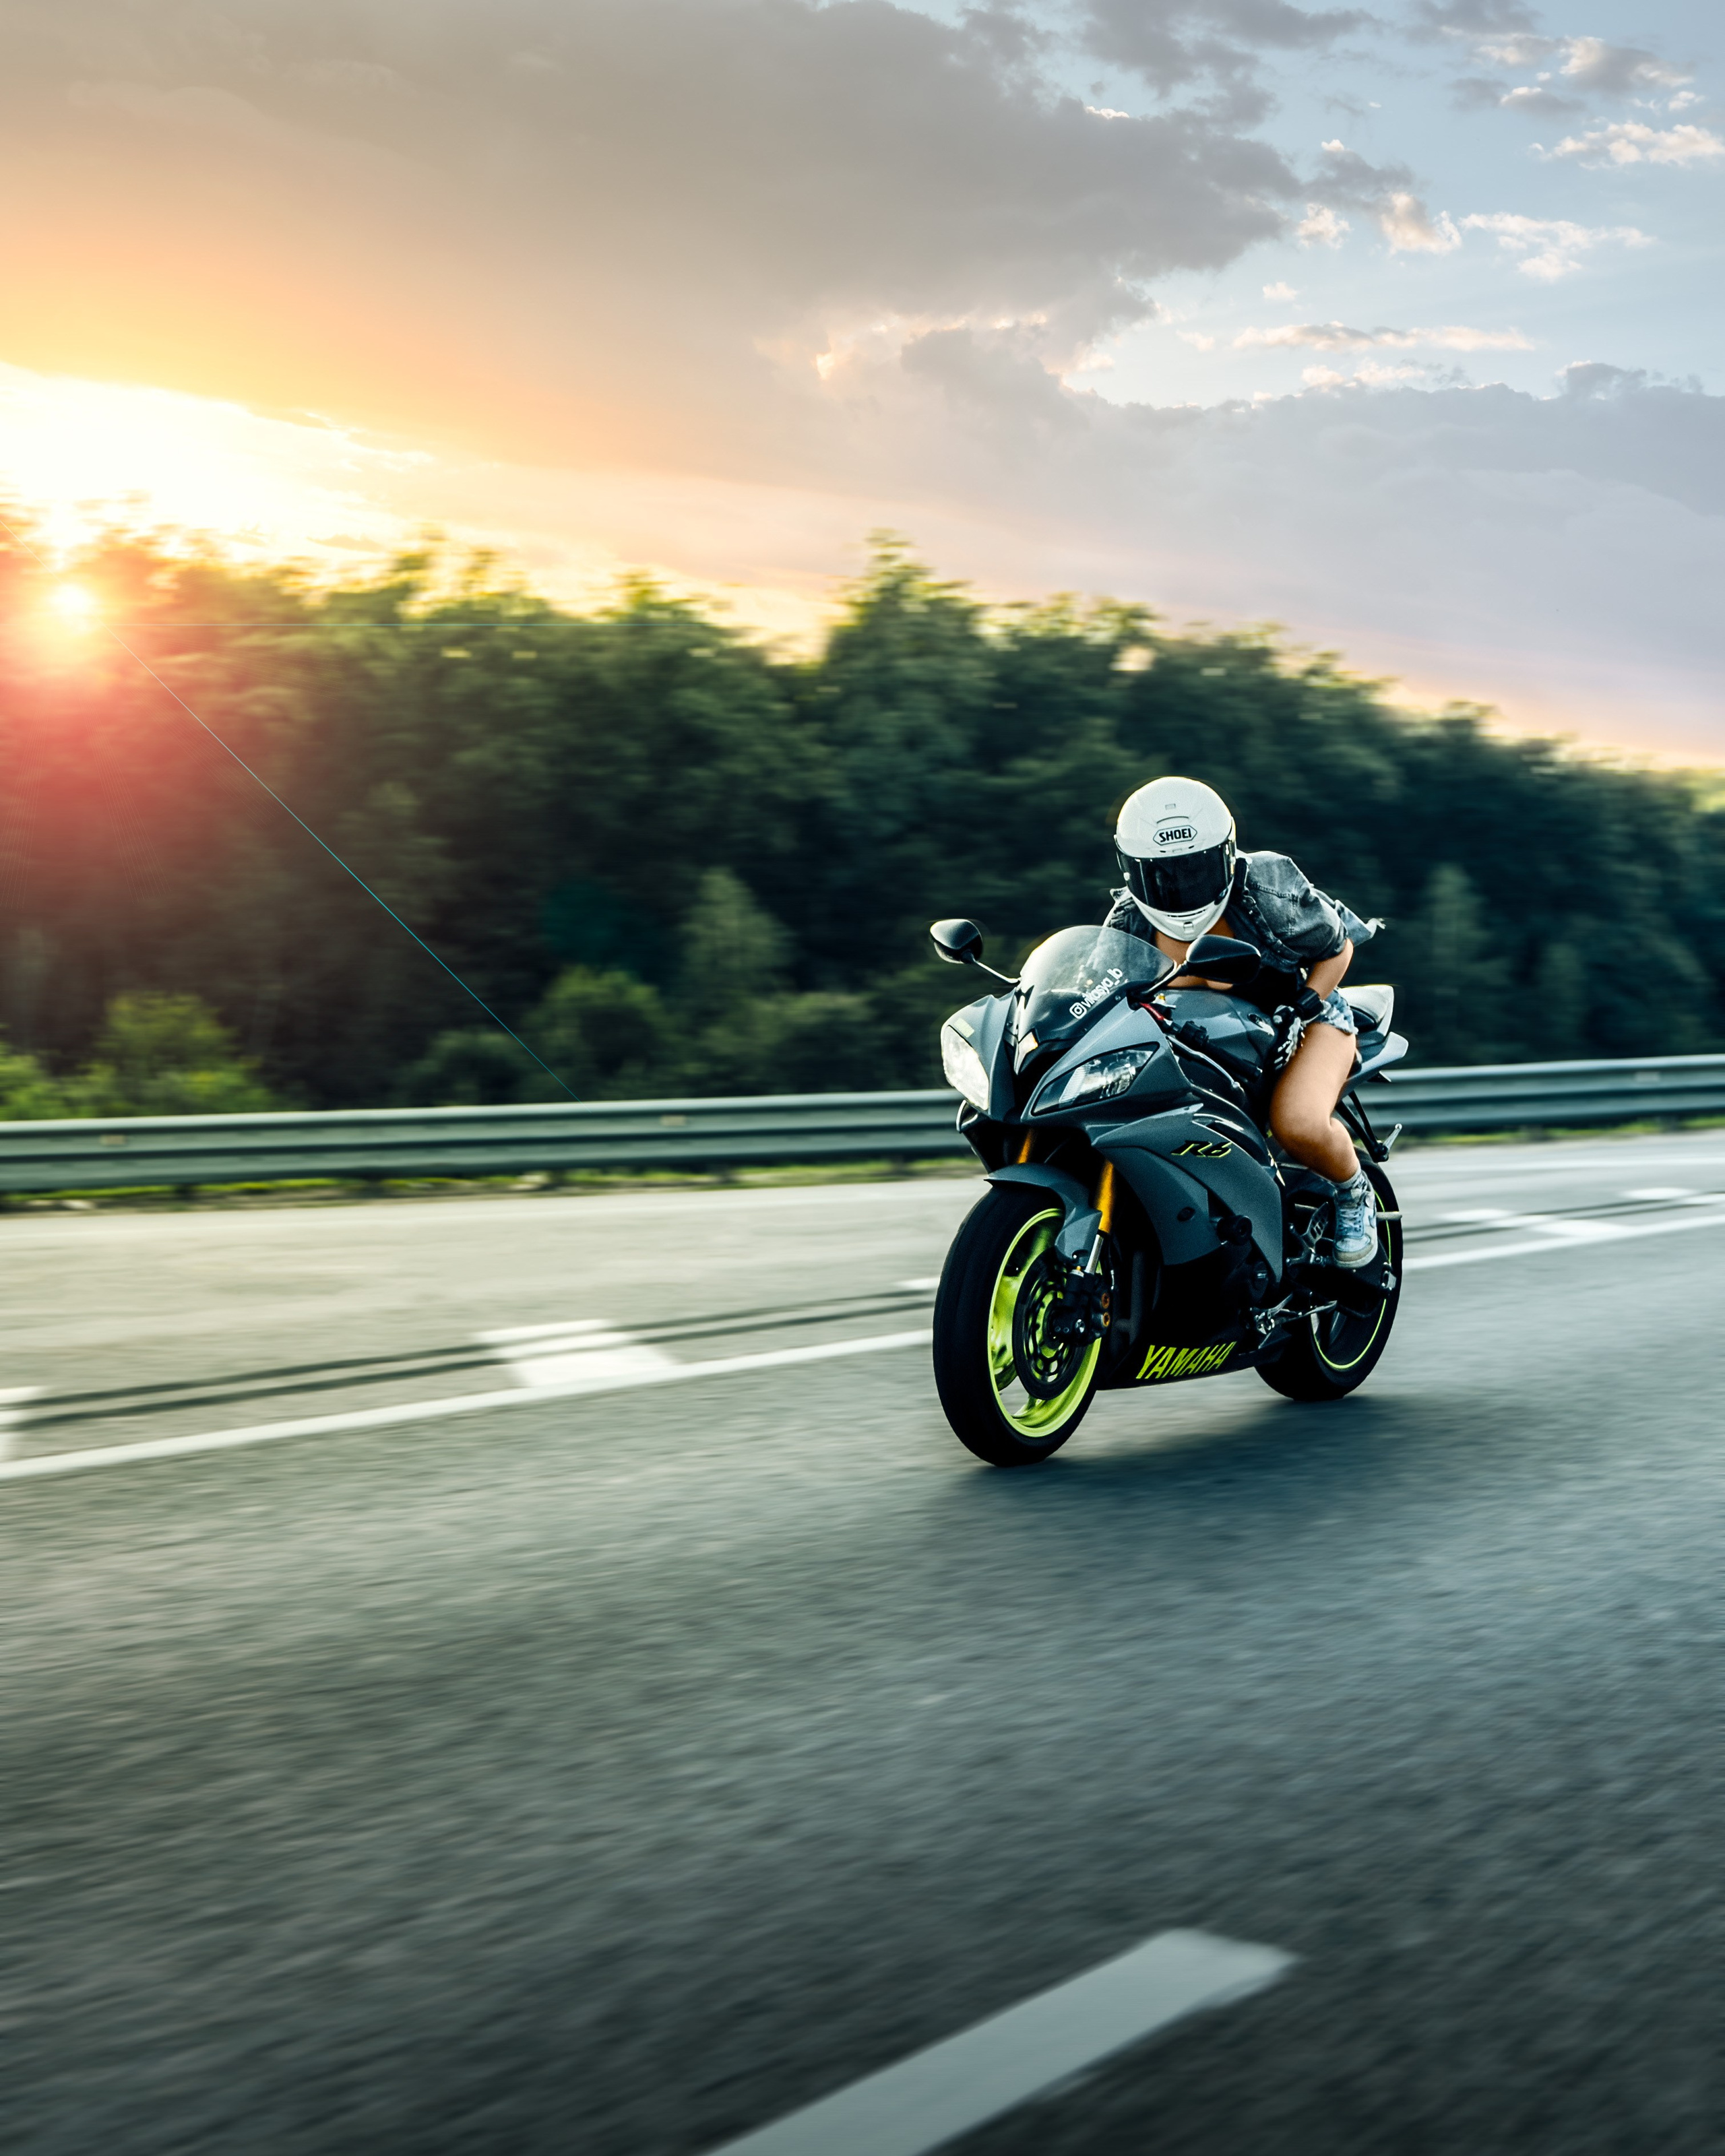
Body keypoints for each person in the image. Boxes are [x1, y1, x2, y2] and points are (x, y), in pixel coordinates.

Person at [1106, 775, 1382, 1268]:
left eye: (1196, 871)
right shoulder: (1127, 921)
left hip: (1305, 1020)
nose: (1182, 887)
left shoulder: (1269, 887)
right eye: (1164, 876)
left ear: (1227, 853)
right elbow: (1100, 990)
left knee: (1296, 1123)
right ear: (1133, 870)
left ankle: (1352, 1193)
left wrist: (1303, 1006)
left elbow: (1337, 950)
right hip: (1207, 1040)